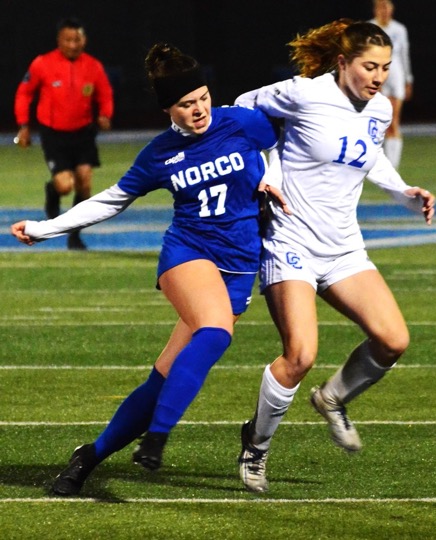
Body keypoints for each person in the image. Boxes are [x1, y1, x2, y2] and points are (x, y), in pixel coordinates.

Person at [11, 43, 288, 496]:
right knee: (216, 332)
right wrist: (46, 228)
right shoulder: (160, 154)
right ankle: (157, 438)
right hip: (189, 250)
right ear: (168, 109)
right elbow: (111, 199)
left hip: (239, 264)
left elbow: (275, 144)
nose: (198, 110)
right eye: (185, 104)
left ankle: (90, 455)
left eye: (201, 97)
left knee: (163, 376)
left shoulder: (240, 121)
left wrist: (271, 175)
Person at [233, 19, 435, 493]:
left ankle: (333, 398)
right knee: (300, 354)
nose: (379, 76)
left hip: (343, 246)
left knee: (393, 339)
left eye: (385, 67)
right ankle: (255, 446)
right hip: (290, 240)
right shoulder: (305, 93)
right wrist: (265, 169)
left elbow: (371, 156)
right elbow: (243, 107)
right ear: (343, 62)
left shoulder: (380, 108)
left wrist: (405, 192)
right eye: (369, 66)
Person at [14, 17, 114, 250]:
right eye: (68, 40)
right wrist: (23, 124)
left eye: (77, 39)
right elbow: (24, 93)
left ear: (84, 40)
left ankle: (75, 235)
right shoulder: (42, 64)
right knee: (64, 186)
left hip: (84, 133)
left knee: (85, 184)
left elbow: (105, 94)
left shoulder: (93, 66)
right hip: (54, 135)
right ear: (59, 40)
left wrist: (106, 115)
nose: (72, 44)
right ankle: (52, 190)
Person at [370, 0, 413, 169]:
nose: (384, 11)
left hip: (395, 77)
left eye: (387, 8)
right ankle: (374, 163)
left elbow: (404, 54)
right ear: (375, 10)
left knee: (393, 121)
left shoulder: (399, 29)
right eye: (381, 8)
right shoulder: (369, 29)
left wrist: (408, 79)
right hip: (377, 77)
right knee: (378, 121)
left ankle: (391, 167)